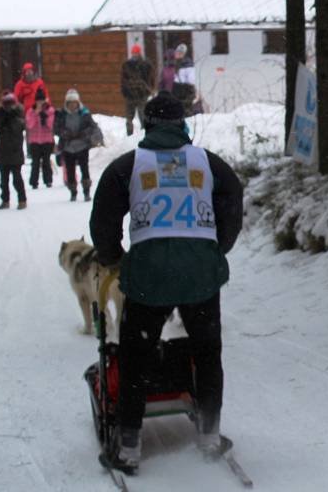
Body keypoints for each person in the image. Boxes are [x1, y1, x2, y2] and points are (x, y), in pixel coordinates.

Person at [90, 95, 243, 474]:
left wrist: (114, 257)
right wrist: (215, 248)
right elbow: (233, 199)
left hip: (148, 277)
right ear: (182, 123)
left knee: (134, 356)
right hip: (200, 275)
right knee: (207, 352)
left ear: (147, 124)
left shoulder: (128, 166)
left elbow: (103, 219)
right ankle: (209, 434)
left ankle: (128, 446)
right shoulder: (208, 164)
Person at [54, 88, 103, 202]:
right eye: (70, 103)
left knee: (84, 169)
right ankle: (73, 191)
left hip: (82, 146)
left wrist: (86, 134)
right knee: (70, 171)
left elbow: (92, 127)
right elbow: (56, 128)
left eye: (74, 102)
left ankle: (86, 191)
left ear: (78, 102)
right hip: (68, 146)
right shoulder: (62, 114)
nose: (72, 105)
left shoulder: (84, 113)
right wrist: (65, 133)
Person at [0, 92, 27, 210]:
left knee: (17, 178)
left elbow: (19, 127)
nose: (8, 107)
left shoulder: (18, 115)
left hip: (15, 151)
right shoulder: (0, 115)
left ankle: (22, 200)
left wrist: (11, 116)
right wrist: (1, 114)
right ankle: (5, 200)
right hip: (2, 151)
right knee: (3, 180)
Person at [121, 44, 154, 136]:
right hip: (130, 95)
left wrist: (147, 91)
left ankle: (144, 135)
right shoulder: (126, 65)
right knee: (129, 118)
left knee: (142, 117)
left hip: (142, 95)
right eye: (133, 52)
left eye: (136, 52)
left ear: (139, 53)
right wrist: (125, 91)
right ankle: (129, 136)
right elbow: (123, 80)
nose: (134, 54)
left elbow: (150, 79)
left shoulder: (146, 65)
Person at [25, 88, 55, 189]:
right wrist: (35, 113)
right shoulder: (30, 111)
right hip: (34, 140)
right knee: (35, 162)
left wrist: (45, 116)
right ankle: (34, 182)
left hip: (47, 140)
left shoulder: (50, 110)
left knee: (46, 161)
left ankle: (48, 180)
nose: (40, 103)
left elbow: (51, 126)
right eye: (38, 101)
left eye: (42, 101)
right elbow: (29, 125)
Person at [170, 43, 202, 116]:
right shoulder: (177, 63)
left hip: (184, 91)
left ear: (182, 54)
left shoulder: (187, 65)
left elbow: (191, 81)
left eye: (178, 53)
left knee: (185, 112)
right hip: (177, 90)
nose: (175, 54)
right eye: (176, 52)